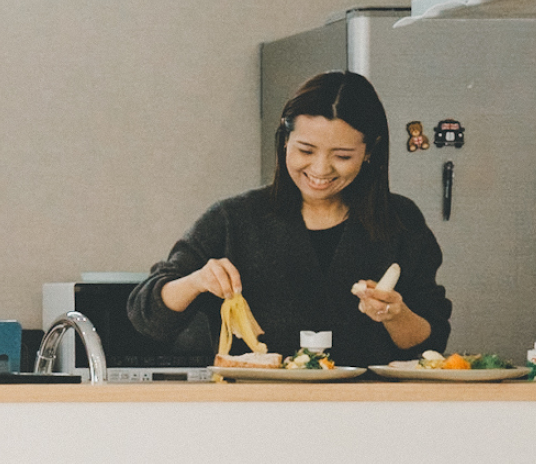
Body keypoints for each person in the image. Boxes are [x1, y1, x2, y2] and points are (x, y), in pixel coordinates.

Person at [128, 70, 452, 370]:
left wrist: (394, 314)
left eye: (342, 156)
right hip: (256, 408)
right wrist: (197, 281)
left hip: (369, 407)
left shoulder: (400, 221)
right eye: (306, 151)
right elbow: (147, 317)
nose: (320, 169)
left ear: (369, 152)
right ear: (285, 140)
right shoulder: (233, 219)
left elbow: (431, 341)